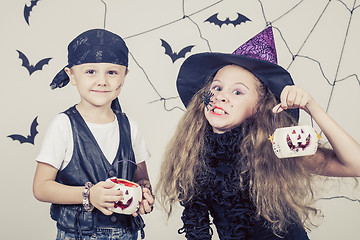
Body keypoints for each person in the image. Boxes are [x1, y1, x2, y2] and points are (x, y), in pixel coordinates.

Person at [156, 26, 360, 239]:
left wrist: (312, 107)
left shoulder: (277, 146)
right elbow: (196, 225)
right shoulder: (192, 151)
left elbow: (356, 164)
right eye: (216, 88)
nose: (221, 96)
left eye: (237, 91)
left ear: (259, 107)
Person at [33, 28, 154, 240]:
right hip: (78, 234)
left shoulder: (129, 126)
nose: (102, 81)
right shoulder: (63, 125)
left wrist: (145, 196)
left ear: (124, 76)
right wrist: (89, 195)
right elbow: (41, 188)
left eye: (112, 72)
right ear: (71, 75)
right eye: (90, 72)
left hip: (127, 233)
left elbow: (142, 180)